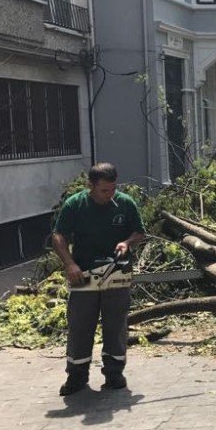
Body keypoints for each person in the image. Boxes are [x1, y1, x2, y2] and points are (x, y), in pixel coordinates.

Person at [52, 163, 145, 396]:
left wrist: (127, 242)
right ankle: (76, 376)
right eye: (104, 190)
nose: (109, 195)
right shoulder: (75, 204)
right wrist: (69, 263)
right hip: (83, 273)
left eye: (113, 189)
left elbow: (139, 232)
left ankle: (114, 373)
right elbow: (58, 235)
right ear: (91, 186)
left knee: (115, 325)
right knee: (80, 325)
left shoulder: (125, 203)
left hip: (117, 272)